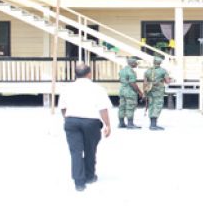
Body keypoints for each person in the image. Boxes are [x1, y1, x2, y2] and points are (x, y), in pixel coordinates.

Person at [58, 62, 112, 192]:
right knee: (90, 149)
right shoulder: (98, 89)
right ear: (89, 74)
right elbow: (103, 109)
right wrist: (107, 125)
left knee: (75, 151)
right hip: (91, 122)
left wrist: (68, 119)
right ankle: (89, 176)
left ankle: (79, 183)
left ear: (75, 74)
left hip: (72, 121)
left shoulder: (66, 88)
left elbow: (63, 107)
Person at [143, 56, 171, 130]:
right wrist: (170, 79)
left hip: (150, 91)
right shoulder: (163, 71)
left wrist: (144, 92)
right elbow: (167, 82)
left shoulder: (148, 71)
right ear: (160, 63)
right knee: (157, 106)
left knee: (151, 106)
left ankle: (152, 124)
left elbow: (145, 83)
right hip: (158, 91)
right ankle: (153, 125)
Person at [118, 56, 144, 129]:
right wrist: (140, 92)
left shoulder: (122, 70)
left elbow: (120, 80)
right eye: (136, 63)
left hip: (122, 90)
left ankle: (121, 123)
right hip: (129, 92)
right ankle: (130, 124)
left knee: (122, 107)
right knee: (130, 107)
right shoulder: (131, 72)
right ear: (132, 64)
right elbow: (133, 83)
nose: (137, 64)